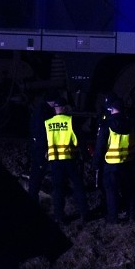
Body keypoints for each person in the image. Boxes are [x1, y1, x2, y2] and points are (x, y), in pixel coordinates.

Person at [92, 94, 135, 223]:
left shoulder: (106, 125)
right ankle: (131, 214)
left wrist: (96, 164)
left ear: (112, 109)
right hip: (128, 162)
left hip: (111, 165)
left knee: (111, 192)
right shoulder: (131, 124)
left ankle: (113, 218)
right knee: (129, 190)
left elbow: (100, 146)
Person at [44, 96, 89, 225]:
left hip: (55, 161)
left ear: (55, 109)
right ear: (64, 108)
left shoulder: (48, 122)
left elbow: (45, 142)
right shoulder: (70, 121)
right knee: (78, 186)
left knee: (58, 189)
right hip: (70, 159)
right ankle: (85, 214)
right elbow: (77, 141)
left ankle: (59, 217)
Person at [27, 93, 57, 201]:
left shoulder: (40, 110)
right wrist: (45, 149)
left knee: (37, 173)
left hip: (37, 146)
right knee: (37, 174)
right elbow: (42, 133)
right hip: (40, 148)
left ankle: (34, 195)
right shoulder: (44, 113)